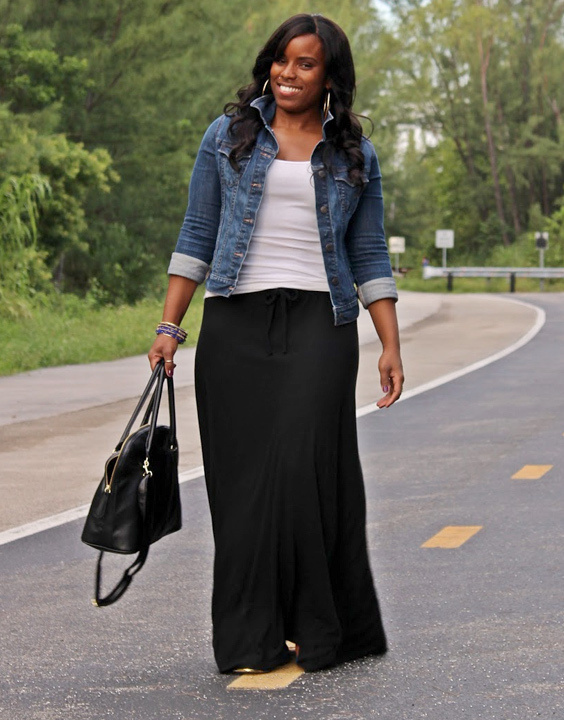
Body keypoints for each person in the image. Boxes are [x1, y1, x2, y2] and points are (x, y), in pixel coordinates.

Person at [148, 13, 404, 674]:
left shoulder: (354, 152)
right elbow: (197, 232)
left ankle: (318, 630)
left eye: (306, 64)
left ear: (330, 76)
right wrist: (169, 327)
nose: (289, 74)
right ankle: (248, 641)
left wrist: (389, 344)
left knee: (299, 472)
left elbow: (369, 251)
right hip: (235, 322)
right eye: (282, 61)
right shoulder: (228, 136)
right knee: (242, 487)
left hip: (322, 324)